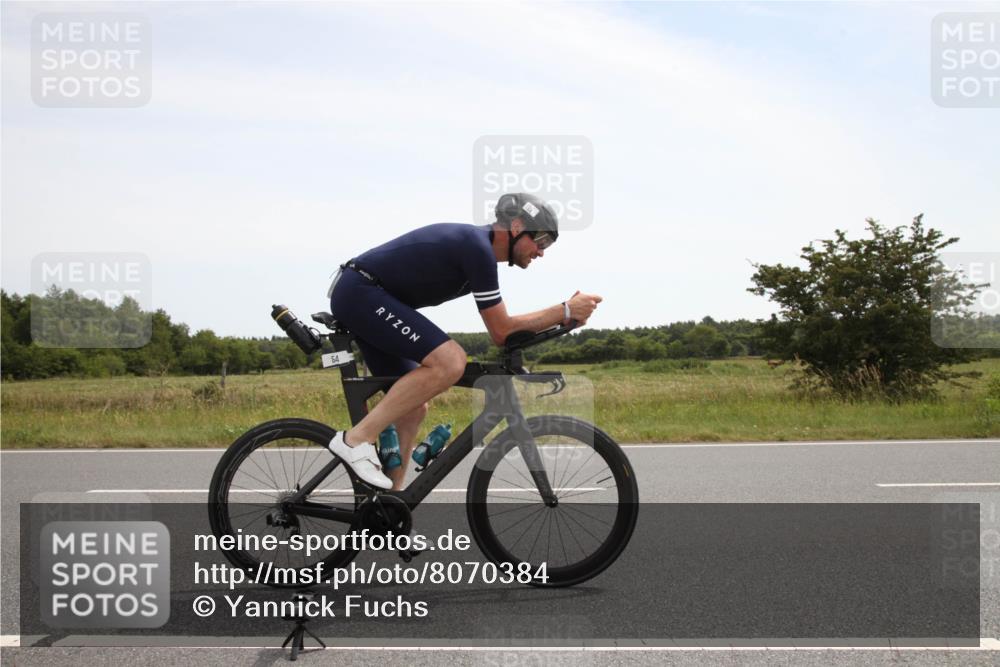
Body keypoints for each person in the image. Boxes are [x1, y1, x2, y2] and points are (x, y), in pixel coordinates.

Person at [326, 193, 602, 490]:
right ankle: (355, 440)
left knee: (414, 408)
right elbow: (502, 331)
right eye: (542, 240)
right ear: (517, 226)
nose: (541, 252)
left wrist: (563, 318)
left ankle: (388, 509)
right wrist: (564, 310)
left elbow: (505, 333)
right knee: (451, 361)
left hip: (366, 296)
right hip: (359, 292)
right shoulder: (476, 247)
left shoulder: (480, 254)